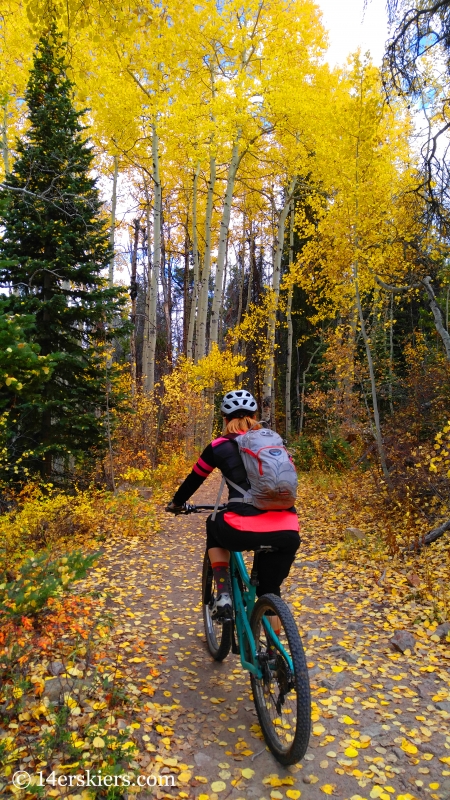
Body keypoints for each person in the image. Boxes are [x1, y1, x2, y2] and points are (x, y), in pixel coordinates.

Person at [166, 389, 300, 620]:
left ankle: (223, 594)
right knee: (269, 591)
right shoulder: (273, 443)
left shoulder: (218, 446)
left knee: (213, 523)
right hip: (288, 529)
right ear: (253, 416)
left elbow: (194, 479)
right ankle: (273, 652)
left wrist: (177, 503)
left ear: (225, 418)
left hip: (243, 529)